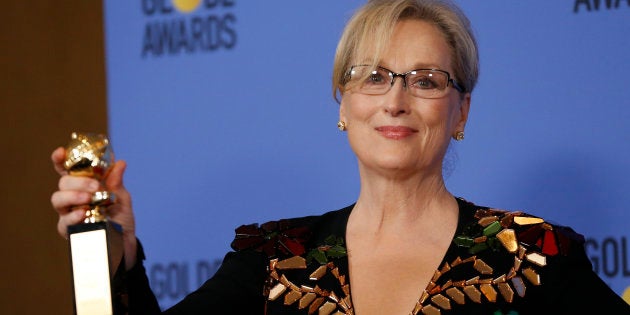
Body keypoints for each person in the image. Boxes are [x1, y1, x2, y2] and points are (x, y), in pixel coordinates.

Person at [50, 0, 630, 314]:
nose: (396, 101)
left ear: (462, 112)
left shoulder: (533, 256)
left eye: (426, 80)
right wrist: (115, 252)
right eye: (373, 77)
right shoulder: (275, 261)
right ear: (343, 103)